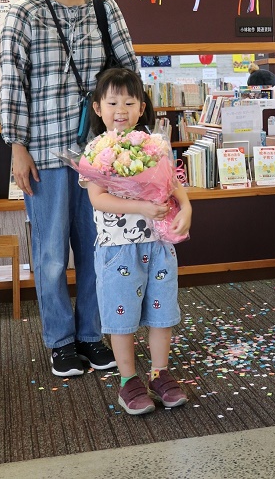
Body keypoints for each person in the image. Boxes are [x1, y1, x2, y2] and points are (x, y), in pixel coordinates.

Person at [0, 0, 139, 378]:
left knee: (99, 248)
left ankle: (90, 334)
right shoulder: (23, 13)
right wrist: (16, 147)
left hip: (99, 155)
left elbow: (128, 76)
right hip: (44, 154)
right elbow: (12, 86)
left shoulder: (105, 8)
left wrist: (127, 141)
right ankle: (60, 341)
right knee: (51, 254)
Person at [86, 67, 192, 415]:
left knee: (162, 313)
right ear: (98, 108)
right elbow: (98, 199)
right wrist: (141, 206)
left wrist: (187, 206)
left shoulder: (154, 144)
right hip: (118, 247)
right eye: (113, 101)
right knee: (122, 316)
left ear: (142, 107)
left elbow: (173, 184)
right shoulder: (95, 150)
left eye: (130, 102)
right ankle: (128, 381)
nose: (122, 109)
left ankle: (160, 373)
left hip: (158, 244)